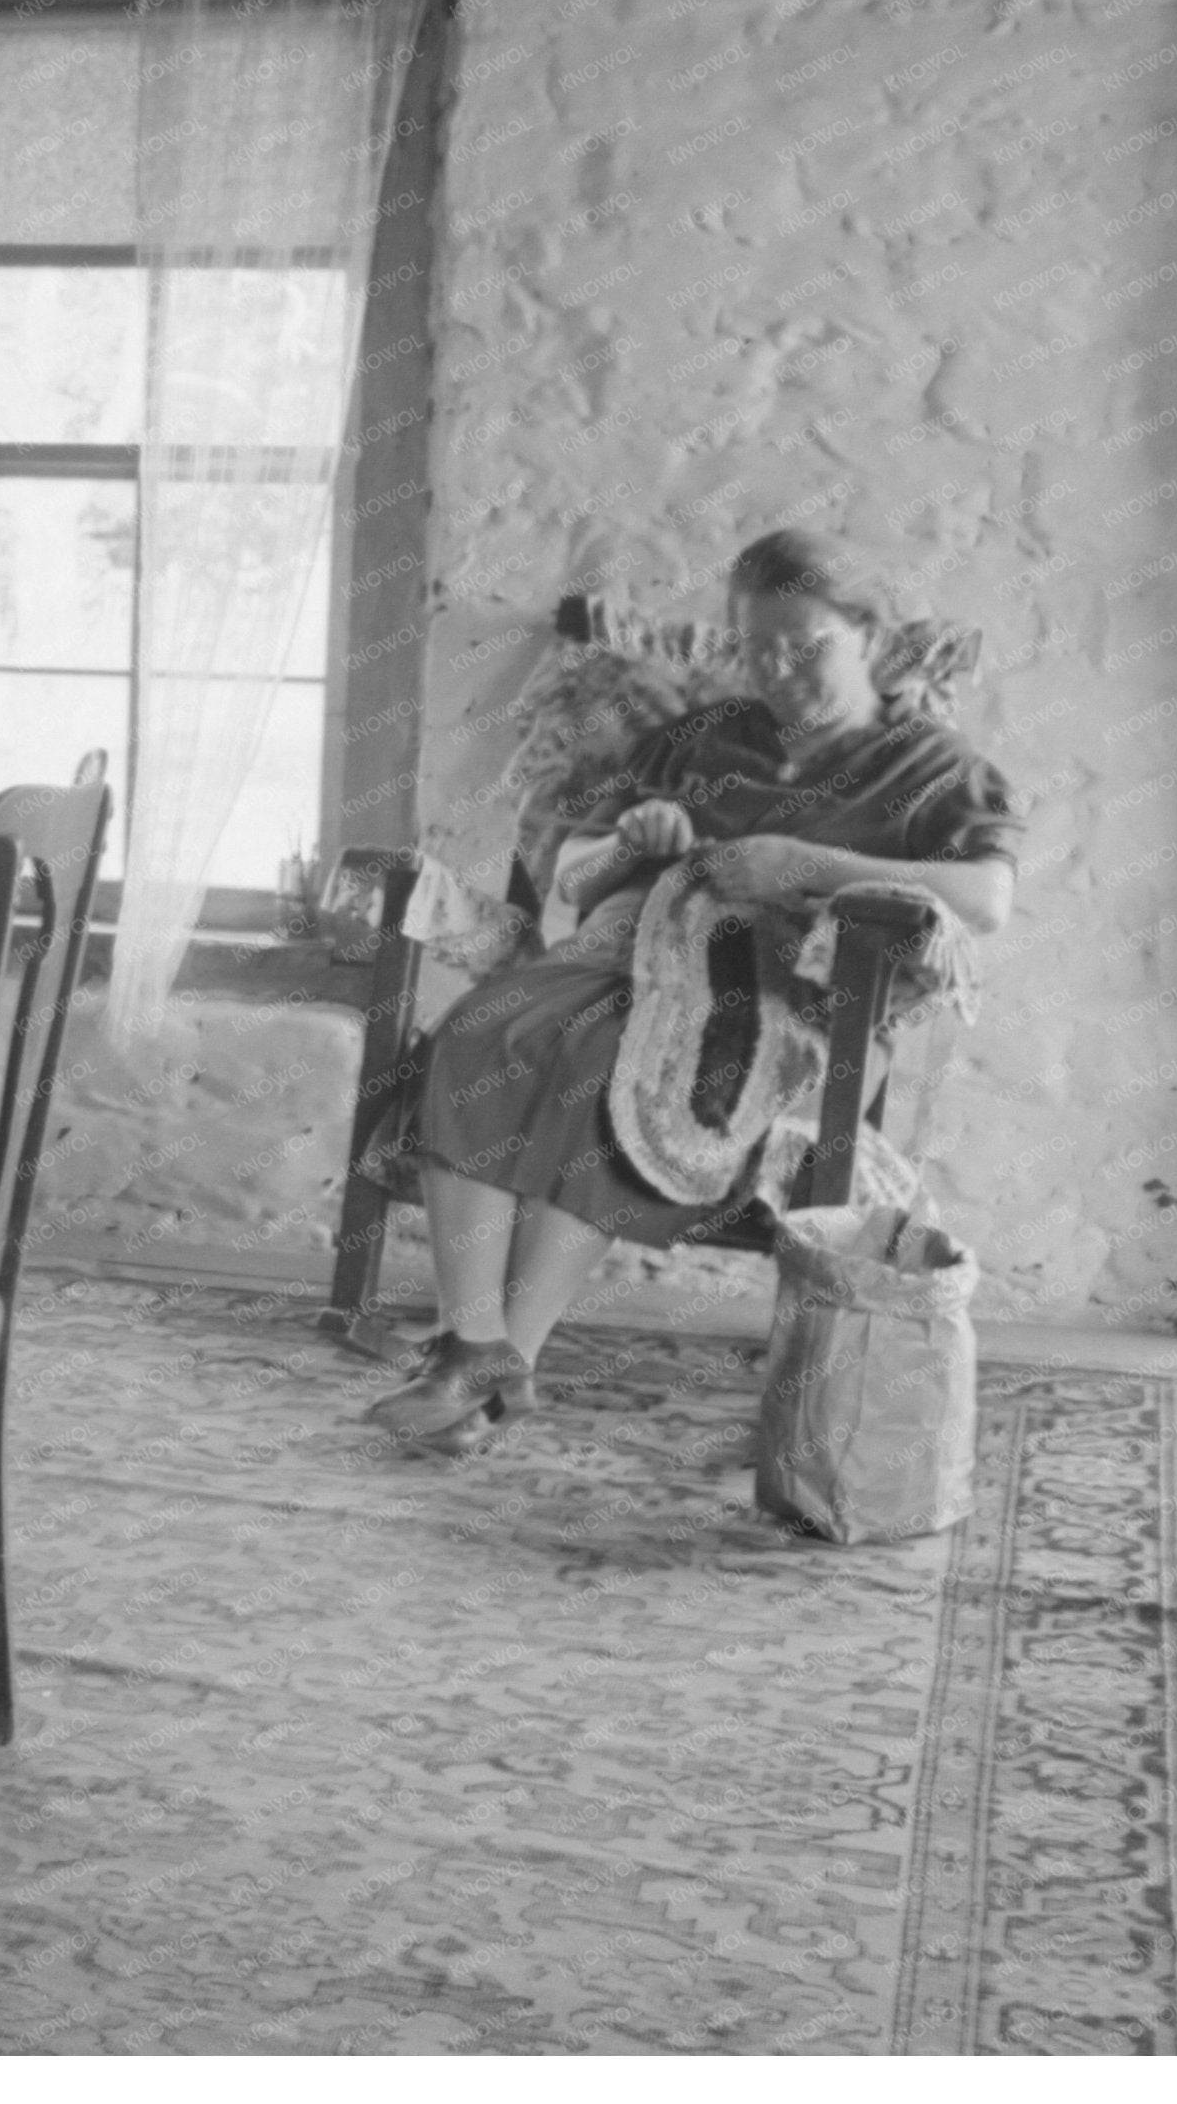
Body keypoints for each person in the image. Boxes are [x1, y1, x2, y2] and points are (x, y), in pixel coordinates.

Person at [370, 530, 1022, 1454]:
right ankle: (467, 1344)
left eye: (808, 648)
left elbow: (986, 900)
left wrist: (808, 864)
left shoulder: (932, 768)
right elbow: (575, 874)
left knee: (613, 1067)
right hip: (625, 957)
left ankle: (501, 1364)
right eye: (759, 651)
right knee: (484, 1027)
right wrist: (635, 843)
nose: (781, 672)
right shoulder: (705, 737)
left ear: (869, 635)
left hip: (786, 1002)